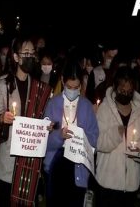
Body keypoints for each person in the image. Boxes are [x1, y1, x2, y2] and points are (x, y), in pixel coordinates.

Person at [0, 36, 51, 206]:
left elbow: (43, 117)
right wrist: (1, 118)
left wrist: (47, 124)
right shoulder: (4, 83)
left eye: (32, 53)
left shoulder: (38, 86)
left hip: (30, 158)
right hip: (9, 158)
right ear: (16, 57)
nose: (30, 57)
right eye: (25, 53)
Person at [43, 60, 99, 206]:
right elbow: (43, 141)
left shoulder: (86, 106)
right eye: (69, 87)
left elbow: (94, 138)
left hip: (78, 167)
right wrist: (58, 136)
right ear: (62, 80)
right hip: (56, 166)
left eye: (76, 87)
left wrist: (82, 138)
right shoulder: (52, 104)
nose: (72, 90)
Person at [95, 66, 140, 207]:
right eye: (122, 90)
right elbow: (98, 142)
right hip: (107, 182)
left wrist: (137, 150)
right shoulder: (104, 109)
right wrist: (117, 133)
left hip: (131, 184)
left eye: (129, 91)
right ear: (115, 87)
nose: (125, 94)